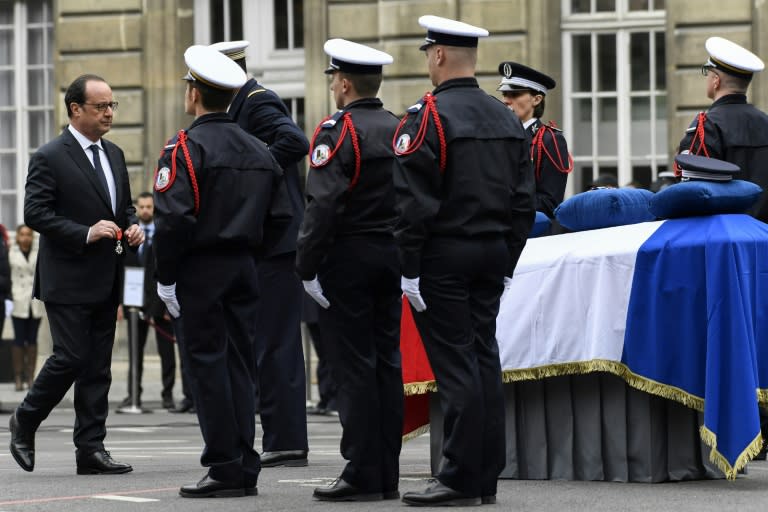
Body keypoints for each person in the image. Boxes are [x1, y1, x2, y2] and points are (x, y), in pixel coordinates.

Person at [392, 15, 535, 506]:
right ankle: (483, 478)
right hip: (492, 251)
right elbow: (524, 201)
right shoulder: (505, 117)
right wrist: (508, 257)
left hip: (444, 255)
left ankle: (456, 475)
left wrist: (408, 265)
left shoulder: (428, 116)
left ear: (437, 56)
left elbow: (413, 203)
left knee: (455, 366)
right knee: (483, 359)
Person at [153, 44, 291, 498]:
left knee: (206, 365)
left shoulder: (186, 149)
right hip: (245, 266)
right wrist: (252, 252)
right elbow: (282, 217)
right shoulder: (258, 149)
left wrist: (166, 276)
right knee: (240, 364)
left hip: (202, 268)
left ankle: (223, 464)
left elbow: (173, 220)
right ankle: (244, 462)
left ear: (195, 94)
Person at [9, 73, 143, 475]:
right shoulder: (50, 155)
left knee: (98, 366)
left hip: (106, 276)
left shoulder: (115, 154)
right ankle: (25, 419)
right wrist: (85, 233)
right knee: (71, 356)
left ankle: (91, 449)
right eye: (101, 106)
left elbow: (124, 208)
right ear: (75, 109)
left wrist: (133, 225)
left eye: (112, 105)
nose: (109, 113)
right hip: (66, 277)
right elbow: (35, 213)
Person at [297, 38, 403, 502]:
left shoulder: (338, 130)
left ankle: (361, 469)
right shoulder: (401, 127)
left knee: (354, 367)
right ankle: (386, 471)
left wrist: (306, 264)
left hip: (349, 258)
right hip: (393, 255)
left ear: (342, 83)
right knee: (388, 364)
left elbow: (323, 204)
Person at [210, 40, 310, 468]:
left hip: (278, 240)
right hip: (265, 239)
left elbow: (294, 141)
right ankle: (278, 434)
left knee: (276, 342)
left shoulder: (256, 100)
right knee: (262, 341)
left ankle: (286, 438)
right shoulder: (243, 105)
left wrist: (254, 168)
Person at [677, 36, 768, 221]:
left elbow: (693, 193)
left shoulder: (707, 126)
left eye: (707, 72)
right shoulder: (765, 122)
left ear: (716, 80)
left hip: (726, 239)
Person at [119, 192, 178, 410]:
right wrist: (120, 302)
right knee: (135, 352)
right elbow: (122, 269)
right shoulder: (129, 235)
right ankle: (133, 393)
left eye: (149, 207)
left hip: (160, 301)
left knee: (167, 352)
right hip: (134, 301)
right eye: (141, 207)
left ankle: (168, 395)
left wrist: (167, 302)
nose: (145, 210)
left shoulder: (163, 233)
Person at [497, 61, 572, 218]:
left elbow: (549, 202)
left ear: (536, 99)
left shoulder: (549, 140)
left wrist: (500, 202)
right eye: (504, 94)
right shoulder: (499, 136)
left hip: (534, 233)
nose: (506, 100)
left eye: (514, 94)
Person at [9, 225, 43, 392]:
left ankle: (30, 377)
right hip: (18, 299)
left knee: (32, 339)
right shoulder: (11, 253)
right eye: (22, 234)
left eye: (28, 234)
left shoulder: (38, 252)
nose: (25, 238)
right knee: (18, 340)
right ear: (17, 236)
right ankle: (17, 377)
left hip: (34, 301)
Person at [302, 293, 338, 416]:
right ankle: (331, 399)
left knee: (324, 355)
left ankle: (326, 398)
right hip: (324, 305)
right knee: (330, 354)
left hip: (312, 306)